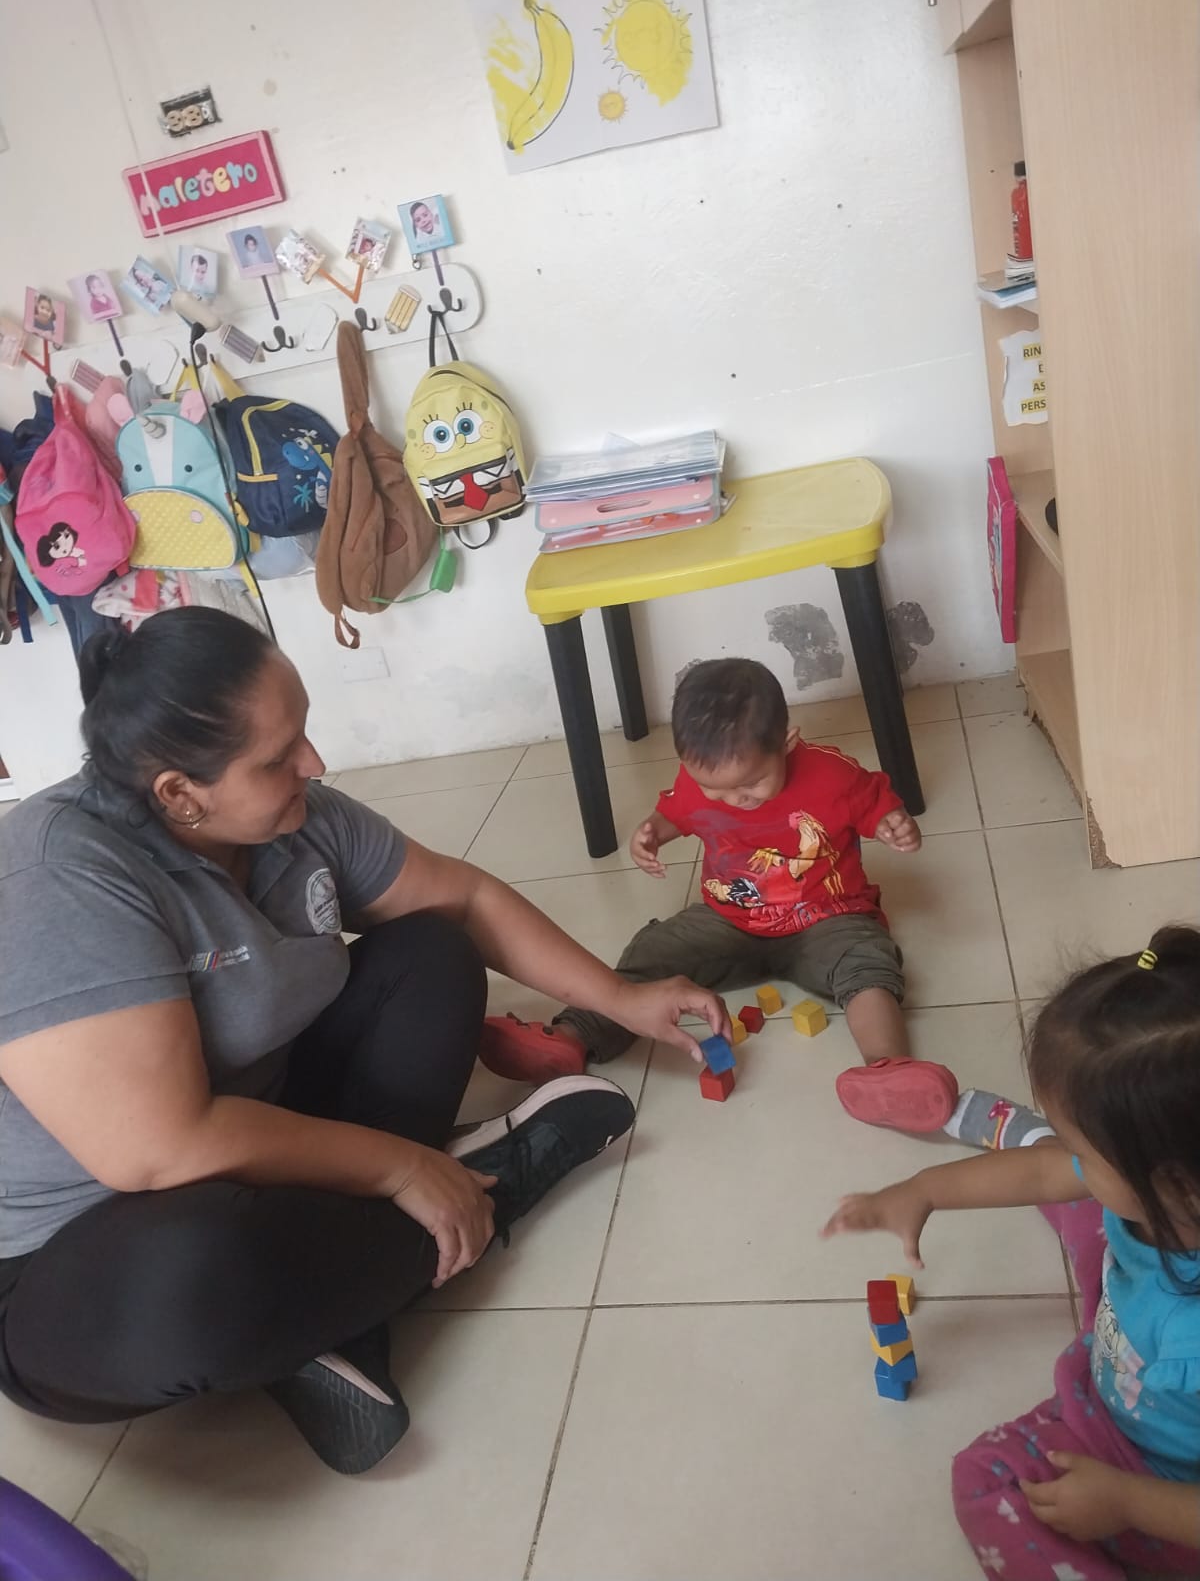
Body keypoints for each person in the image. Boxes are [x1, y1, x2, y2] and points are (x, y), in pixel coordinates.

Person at [0, 608, 727, 1475]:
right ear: (180, 794)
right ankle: (490, 1184)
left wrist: (623, 999)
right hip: (77, 1253)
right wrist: (401, 1168)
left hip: (258, 1140)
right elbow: (159, 1149)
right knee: (197, 1279)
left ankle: (336, 1306)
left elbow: (464, 900)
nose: (313, 763)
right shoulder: (59, 875)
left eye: (303, 733)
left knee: (432, 952)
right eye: (278, 757)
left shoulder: (295, 820)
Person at [822, 928, 1200, 1580]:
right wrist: (922, 1191)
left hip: (1160, 1486)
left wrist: (1127, 1502)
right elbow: (1044, 1173)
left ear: (1175, 1182)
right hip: (1139, 1346)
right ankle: (1030, 1133)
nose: (1068, 1159)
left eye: (1080, 1147)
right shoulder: (1161, 1192)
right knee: (1083, 1201)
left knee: (985, 1482)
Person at [479, 657, 958, 1133]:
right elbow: (677, 813)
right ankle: (571, 1036)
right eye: (716, 790)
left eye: (752, 784)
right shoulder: (697, 782)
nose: (735, 800)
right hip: (729, 918)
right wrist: (652, 833)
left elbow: (876, 803)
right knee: (653, 951)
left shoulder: (832, 775)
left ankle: (888, 1070)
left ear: (787, 742)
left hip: (827, 917)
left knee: (866, 962)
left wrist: (893, 823)